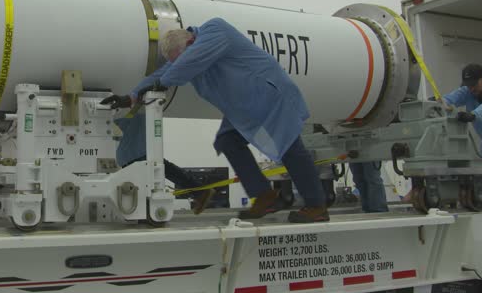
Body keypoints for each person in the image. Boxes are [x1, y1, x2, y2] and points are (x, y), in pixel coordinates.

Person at [103, 18, 328, 223]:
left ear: (191, 42)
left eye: (179, 59)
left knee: (290, 146)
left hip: (269, 96)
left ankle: (316, 206)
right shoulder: (187, 54)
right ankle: (264, 196)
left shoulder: (216, 30)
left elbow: (184, 64)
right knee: (227, 141)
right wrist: (131, 97)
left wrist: (163, 83)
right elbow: (162, 73)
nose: (178, 65)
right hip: (244, 109)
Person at [108, 111, 215, 214]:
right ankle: (199, 191)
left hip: (135, 155)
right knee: (161, 171)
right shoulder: (134, 117)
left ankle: (199, 191)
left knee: (160, 172)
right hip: (134, 155)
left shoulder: (136, 113)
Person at [442, 63, 482, 206]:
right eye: (468, 85)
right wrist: (438, 103)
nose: (471, 89)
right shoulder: (468, 91)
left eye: (474, 84)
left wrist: (473, 115)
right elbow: (449, 99)